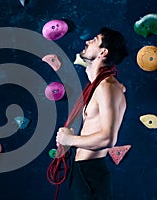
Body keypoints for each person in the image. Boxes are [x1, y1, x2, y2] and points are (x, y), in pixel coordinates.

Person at [56, 27, 128, 199]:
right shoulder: (101, 86)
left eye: (94, 40)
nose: (87, 42)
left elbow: (108, 138)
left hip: (91, 171)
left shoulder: (106, 87)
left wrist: (69, 140)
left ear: (103, 52)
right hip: (85, 171)